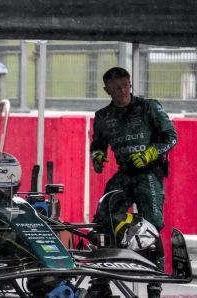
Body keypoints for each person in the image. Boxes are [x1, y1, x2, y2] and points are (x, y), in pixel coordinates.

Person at [90, 67, 177, 298]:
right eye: (116, 87)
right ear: (106, 90)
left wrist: (151, 154)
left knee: (152, 227)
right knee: (102, 221)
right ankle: (99, 284)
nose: (122, 91)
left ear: (131, 83)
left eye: (126, 85)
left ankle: (154, 286)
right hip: (123, 173)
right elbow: (97, 144)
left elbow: (172, 137)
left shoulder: (149, 107)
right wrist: (96, 156)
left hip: (149, 173)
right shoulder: (102, 116)